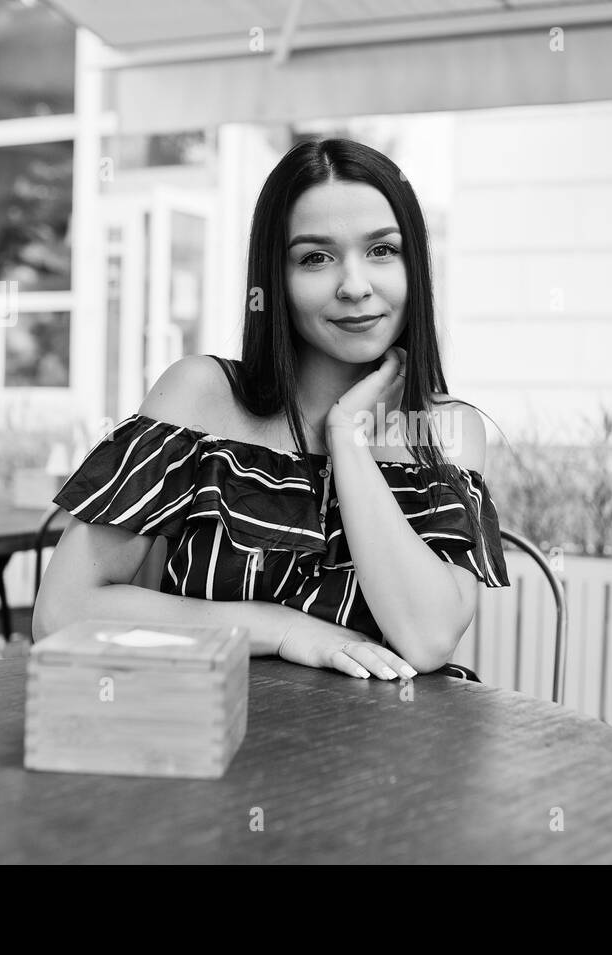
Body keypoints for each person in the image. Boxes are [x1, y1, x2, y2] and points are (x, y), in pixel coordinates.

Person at [33, 138, 509, 680]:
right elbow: (61, 615)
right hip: (220, 739)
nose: (355, 286)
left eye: (382, 250)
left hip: (387, 751)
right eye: (315, 258)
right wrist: (281, 629)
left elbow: (426, 641)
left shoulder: (446, 430)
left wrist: (347, 439)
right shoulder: (201, 396)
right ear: (275, 280)